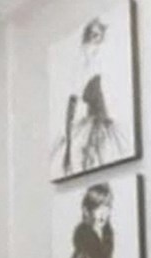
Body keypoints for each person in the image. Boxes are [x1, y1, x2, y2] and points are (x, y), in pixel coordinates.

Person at [53, 18, 127, 177]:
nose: (95, 45)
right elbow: (73, 100)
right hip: (88, 119)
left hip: (101, 120)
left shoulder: (104, 69)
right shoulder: (81, 71)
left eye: (99, 38)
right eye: (92, 37)